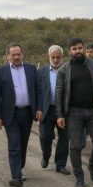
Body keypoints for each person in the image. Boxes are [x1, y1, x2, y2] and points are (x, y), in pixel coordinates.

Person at [56, 38, 93, 187]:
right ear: (70, 51)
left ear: (83, 49)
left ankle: (92, 166)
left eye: (80, 48)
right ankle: (79, 177)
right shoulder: (64, 69)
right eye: (74, 49)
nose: (78, 51)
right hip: (73, 113)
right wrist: (60, 115)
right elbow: (59, 93)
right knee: (75, 147)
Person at [0, 44, 42, 187]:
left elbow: (38, 90)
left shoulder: (31, 69)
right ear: (8, 56)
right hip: (10, 114)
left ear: (22, 54)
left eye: (18, 54)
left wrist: (39, 108)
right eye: (13, 54)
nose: (16, 57)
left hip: (27, 113)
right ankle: (16, 177)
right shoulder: (1, 72)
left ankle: (19, 168)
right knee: (14, 144)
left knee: (23, 144)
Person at [37, 45, 70, 175]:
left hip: (64, 110)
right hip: (47, 109)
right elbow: (37, 92)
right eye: (53, 57)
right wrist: (38, 109)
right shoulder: (41, 72)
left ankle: (60, 165)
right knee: (45, 136)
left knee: (64, 138)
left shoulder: (68, 70)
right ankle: (46, 155)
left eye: (58, 57)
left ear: (62, 57)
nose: (55, 60)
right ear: (49, 56)